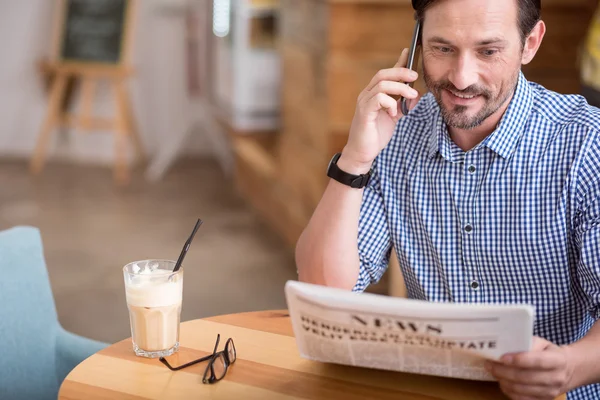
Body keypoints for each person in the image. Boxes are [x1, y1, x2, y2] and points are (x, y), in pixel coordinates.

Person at [295, 0, 600, 399]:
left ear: (530, 43)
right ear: (418, 41)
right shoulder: (395, 133)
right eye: (442, 49)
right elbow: (324, 290)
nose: (461, 77)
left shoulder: (586, 145)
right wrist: (355, 157)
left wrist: (571, 366)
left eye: (488, 51)